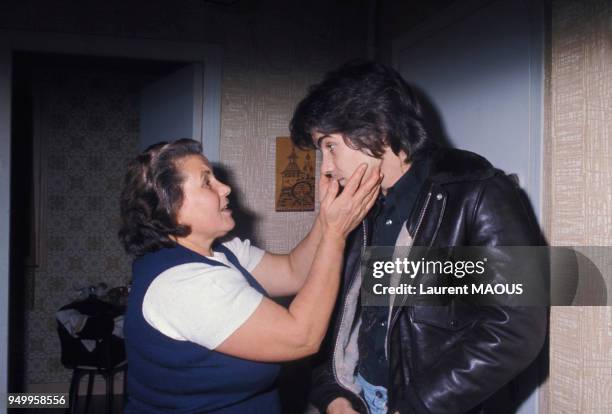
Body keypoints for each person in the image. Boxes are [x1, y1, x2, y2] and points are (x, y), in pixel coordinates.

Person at [290, 60, 547, 414]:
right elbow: (333, 317)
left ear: (377, 127)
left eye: (330, 146)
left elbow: (513, 331)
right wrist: (333, 394)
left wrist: (416, 408)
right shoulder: (356, 208)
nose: (327, 168)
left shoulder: (477, 189)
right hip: (359, 398)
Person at [118, 138, 381, 413]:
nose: (225, 187)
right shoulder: (183, 285)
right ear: (170, 206)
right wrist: (336, 234)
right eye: (207, 182)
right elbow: (301, 337)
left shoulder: (220, 250)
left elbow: (292, 271)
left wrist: (327, 218)